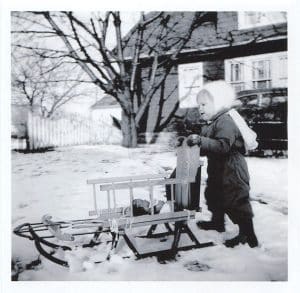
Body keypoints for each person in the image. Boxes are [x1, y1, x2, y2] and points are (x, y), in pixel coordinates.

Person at [185, 80, 259, 248]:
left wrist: (201, 140)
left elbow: (223, 146)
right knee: (214, 194)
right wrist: (193, 143)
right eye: (198, 106)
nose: (200, 109)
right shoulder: (212, 123)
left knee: (236, 199)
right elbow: (207, 146)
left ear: (217, 103)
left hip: (232, 167)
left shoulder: (225, 121)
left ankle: (248, 234)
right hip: (218, 167)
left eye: (204, 104)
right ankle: (217, 222)